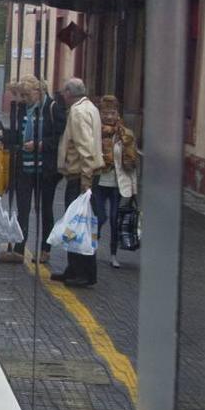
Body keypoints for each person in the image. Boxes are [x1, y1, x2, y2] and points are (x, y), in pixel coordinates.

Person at [0, 75, 66, 264]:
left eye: (26, 95)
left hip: (45, 169)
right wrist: (5, 135)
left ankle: (45, 248)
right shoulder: (22, 110)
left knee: (45, 209)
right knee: (23, 209)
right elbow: (19, 135)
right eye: (21, 95)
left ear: (38, 91)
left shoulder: (51, 109)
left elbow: (60, 137)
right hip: (24, 168)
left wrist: (39, 145)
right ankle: (19, 249)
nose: (23, 99)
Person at [50, 78, 104, 286]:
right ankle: (74, 268)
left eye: (64, 92)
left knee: (78, 225)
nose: (62, 95)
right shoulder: (90, 107)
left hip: (81, 176)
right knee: (80, 223)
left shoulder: (78, 112)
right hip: (85, 175)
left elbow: (85, 147)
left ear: (69, 93)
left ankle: (83, 272)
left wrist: (86, 180)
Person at [92, 95, 138, 270]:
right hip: (100, 182)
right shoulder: (95, 133)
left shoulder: (125, 135)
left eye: (112, 113)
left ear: (117, 113)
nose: (109, 117)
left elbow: (132, 163)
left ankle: (113, 255)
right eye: (105, 113)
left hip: (118, 184)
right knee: (100, 217)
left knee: (114, 219)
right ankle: (92, 248)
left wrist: (133, 188)